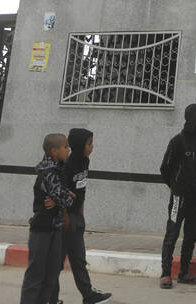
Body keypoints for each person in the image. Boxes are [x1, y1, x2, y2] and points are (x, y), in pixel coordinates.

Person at [159, 103, 196, 289]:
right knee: (172, 233)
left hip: (195, 196)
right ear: (192, 117)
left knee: (191, 234)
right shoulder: (177, 141)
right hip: (179, 196)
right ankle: (165, 273)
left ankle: (184, 272)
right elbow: (165, 167)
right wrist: (175, 186)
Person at [19, 133, 75, 304]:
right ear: (54, 151)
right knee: (36, 274)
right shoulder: (49, 173)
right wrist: (67, 195)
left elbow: (61, 196)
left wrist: (62, 196)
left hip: (55, 227)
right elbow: (67, 199)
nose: (68, 150)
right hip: (43, 230)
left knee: (51, 274)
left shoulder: (59, 169)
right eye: (65, 147)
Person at [60, 128, 112, 304]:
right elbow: (63, 194)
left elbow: (80, 192)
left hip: (76, 218)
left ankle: (88, 296)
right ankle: (50, 297)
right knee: (56, 263)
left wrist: (80, 218)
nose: (92, 146)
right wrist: (67, 220)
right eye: (89, 143)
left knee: (79, 260)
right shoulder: (66, 166)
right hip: (64, 220)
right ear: (79, 145)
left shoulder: (85, 161)